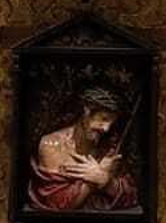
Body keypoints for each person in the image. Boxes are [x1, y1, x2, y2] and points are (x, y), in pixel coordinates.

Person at [28, 84, 138, 215]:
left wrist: (106, 181)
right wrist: (92, 180)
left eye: (111, 123)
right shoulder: (51, 145)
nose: (106, 128)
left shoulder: (109, 147)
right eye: (103, 119)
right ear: (86, 111)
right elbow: (58, 204)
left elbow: (131, 195)